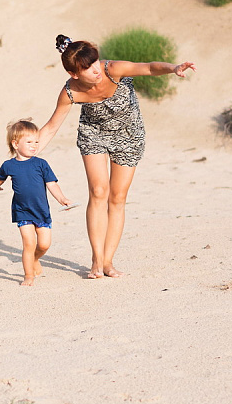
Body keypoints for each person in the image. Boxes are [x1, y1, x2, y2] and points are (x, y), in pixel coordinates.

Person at [38, 34, 195, 279]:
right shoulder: (70, 92)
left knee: (118, 196)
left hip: (129, 134)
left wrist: (173, 68)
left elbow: (149, 68)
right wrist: (25, 151)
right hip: (94, 134)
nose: (95, 70)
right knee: (98, 191)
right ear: (74, 74)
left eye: (95, 62)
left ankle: (108, 262)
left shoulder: (112, 70)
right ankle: (96, 260)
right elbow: (50, 128)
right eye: (87, 68)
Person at [0, 120, 73, 286]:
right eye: (29, 142)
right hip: (22, 211)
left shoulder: (41, 164)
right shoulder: (9, 165)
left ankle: (35, 259)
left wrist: (62, 199)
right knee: (29, 244)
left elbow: (52, 184)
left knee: (43, 245)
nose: (34, 145)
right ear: (15, 144)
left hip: (41, 210)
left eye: (36, 142)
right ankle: (28, 275)